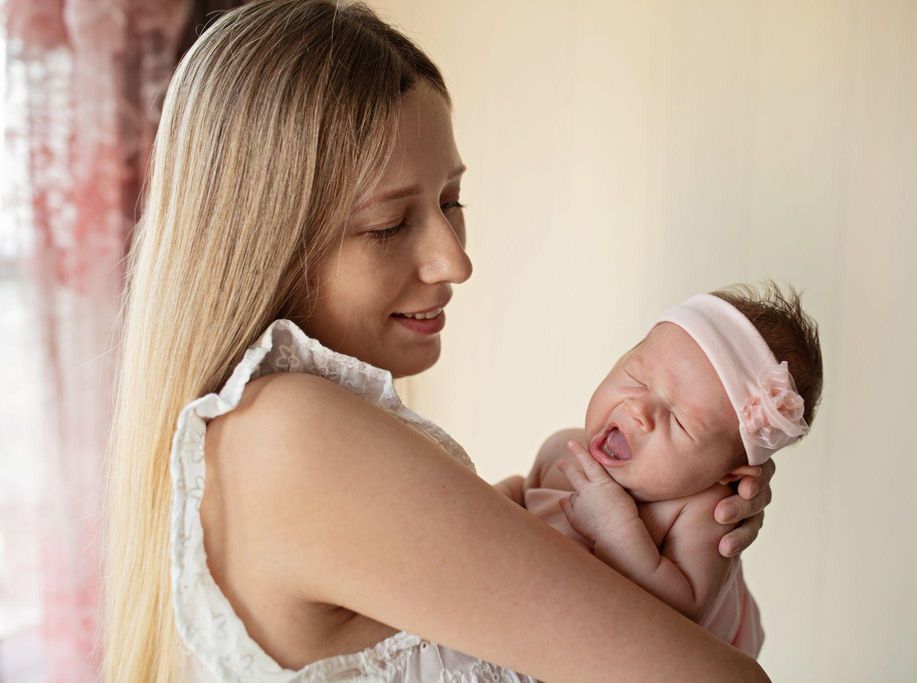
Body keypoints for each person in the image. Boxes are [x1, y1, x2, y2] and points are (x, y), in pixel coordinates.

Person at [101, 1, 776, 680]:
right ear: (262, 242)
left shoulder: (273, 438)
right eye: (391, 224)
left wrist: (673, 520)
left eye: (452, 202)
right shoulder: (288, 433)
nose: (455, 262)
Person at [520, 285, 823, 659]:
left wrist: (616, 529)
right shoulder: (562, 450)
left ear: (730, 473)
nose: (638, 411)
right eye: (637, 378)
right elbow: (516, 502)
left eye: (680, 422)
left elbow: (683, 615)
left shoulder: (704, 512)